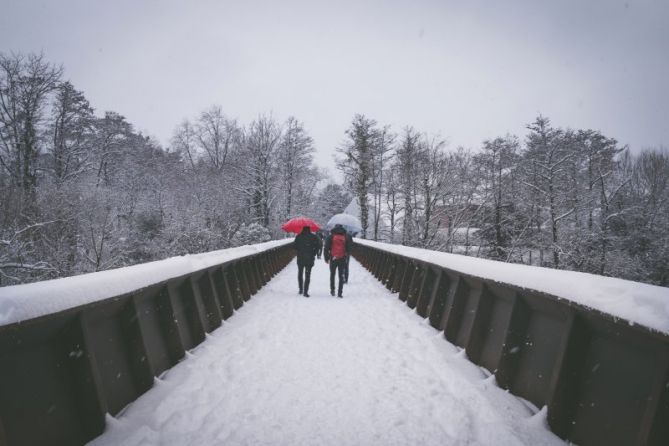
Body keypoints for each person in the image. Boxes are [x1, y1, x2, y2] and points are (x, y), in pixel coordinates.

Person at [324, 224, 352, 298]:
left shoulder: (331, 236)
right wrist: (346, 255)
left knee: (332, 274)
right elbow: (349, 248)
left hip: (333, 258)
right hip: (342, 258)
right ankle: (340, 293)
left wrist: (326, 258)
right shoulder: (345, 237)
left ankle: (332, 290)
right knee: (341, 275)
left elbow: (326, 248)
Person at [293, 225, 321, 297]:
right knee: (307, 274)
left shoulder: (298, 236)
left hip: (300, 258)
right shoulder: (313, 237)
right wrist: (314, 253)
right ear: (310, 229)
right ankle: (305, 291)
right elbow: (318, 246)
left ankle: (300, 289)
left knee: (300, 273)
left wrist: (300, 250)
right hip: (309, 258)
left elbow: (294, 247)